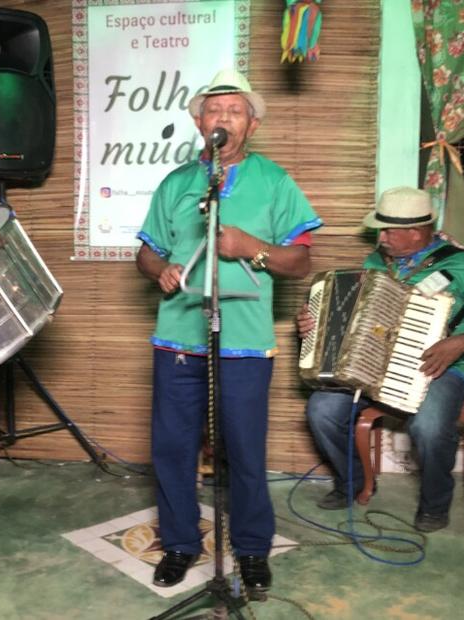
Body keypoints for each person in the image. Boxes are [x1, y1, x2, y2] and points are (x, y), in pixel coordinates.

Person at [136, 68, 322, 592]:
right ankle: (178, 542)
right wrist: (160, 269)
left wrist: (252, 249)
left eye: (234, 111)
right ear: (199, 122)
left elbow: (301, 262)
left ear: (252, 124)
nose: (223, 119)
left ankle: (252, 548)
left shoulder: (274, 181)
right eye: (214, 110)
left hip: (243, 340)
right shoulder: (175, 183)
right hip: (177, 337)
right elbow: (147, 251)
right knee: (172, 448)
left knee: (243, 449)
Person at [297, 186, 464, 532]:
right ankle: (352, 481)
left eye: (388, 231)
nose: (381, 238)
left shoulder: (463, 266)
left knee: (427, 426)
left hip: (437, 368)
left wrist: (463, 341)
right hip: (370, 367)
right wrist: (313, 322)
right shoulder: (375, 263)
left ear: (417, 232)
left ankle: (435, 502)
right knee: (321, 410)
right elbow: (357, 318)